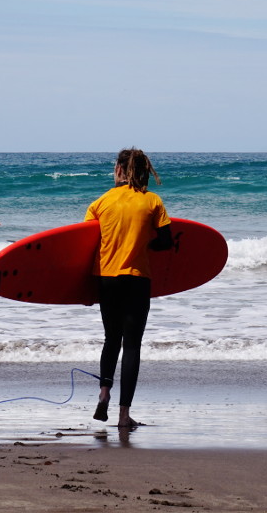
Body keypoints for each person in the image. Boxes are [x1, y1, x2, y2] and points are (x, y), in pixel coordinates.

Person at [85, 148, 173, 428]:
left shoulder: (100, 202)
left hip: (106, 279)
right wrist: (145, 243)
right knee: (132, 345)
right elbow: (166, 241)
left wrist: (81, 290)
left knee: (112, 339)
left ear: (121, 171)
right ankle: (124, 415)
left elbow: (84, 246)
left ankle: (103, 393)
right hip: (137, 279)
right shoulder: (152, 201)